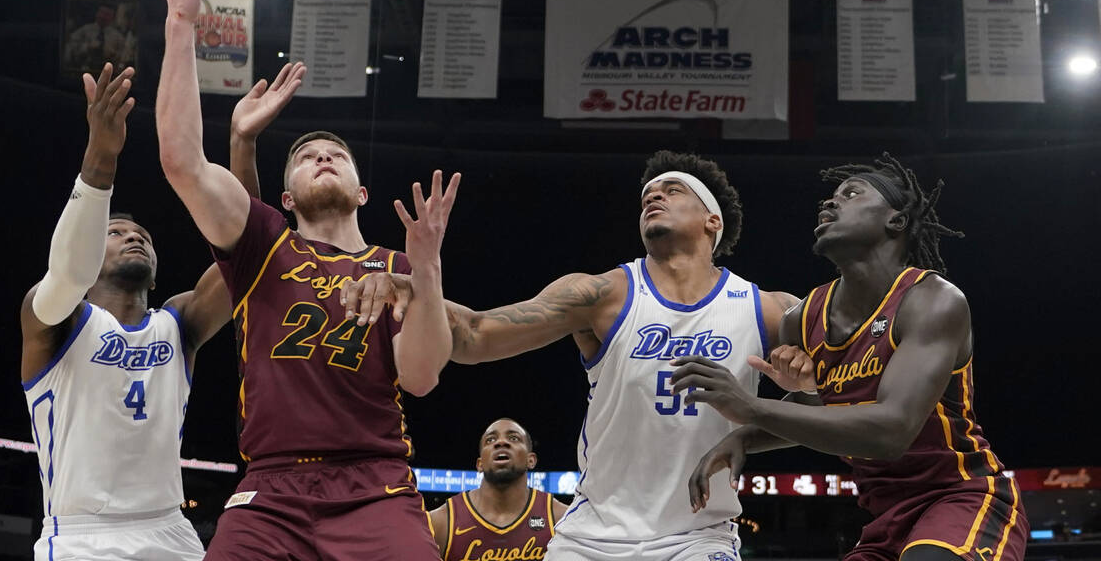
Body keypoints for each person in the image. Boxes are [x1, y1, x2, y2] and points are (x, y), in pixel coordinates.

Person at [154, 0, 459, 561]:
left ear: (362, 190)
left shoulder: (396, 263)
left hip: (374, 486)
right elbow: (182, 160)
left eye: (336, 155)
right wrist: (181, 25)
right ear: (284, 195)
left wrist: (426, 274)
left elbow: (424, 376)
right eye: (307, 155)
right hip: (270, 490)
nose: (323, 158)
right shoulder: (262, 242)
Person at [345, 149, 815, 561]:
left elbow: (842, 399)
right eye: (648, 194)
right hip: (593, 538)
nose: (653, 196)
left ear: (714, 220)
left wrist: (804, 386)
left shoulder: (770, 309)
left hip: (698, 536)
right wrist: (420, 285)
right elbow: (474, 336)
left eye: (673, 190)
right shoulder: (601, 294)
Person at [676, 153, 1028, 561]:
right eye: (830, 197)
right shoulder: (802, 320)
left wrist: (751, 409)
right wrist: (746, 434)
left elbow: (890, 431)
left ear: (895, 221)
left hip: (962, 497)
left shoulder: (931, 300)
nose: (829, 202)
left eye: (851, 193)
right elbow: (820, 412)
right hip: (884, 516)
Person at [20, 62, 232, 561]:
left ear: (156, 272)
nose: (133, 235)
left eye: (141, 236)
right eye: (114, 233)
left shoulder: (178, 323)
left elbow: (246, 256)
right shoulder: (54, 319)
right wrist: (101, 160)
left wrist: (242, 144)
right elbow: (68, 275)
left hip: (170, 532)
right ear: (90, 254)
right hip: (80, 538)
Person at [430, 418, 568, 561]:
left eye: (514, 438)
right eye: (490, 440)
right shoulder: (441, 522)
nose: (501, 442)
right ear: (480, 464)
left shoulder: (561, 519)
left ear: (531, 460)